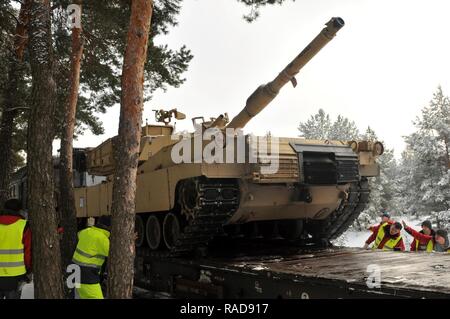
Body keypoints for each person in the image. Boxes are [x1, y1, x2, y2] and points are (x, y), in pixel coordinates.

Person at [72, 215, 110, 299]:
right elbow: (115, 255)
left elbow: (79, 236)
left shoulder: (85, 231)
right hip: (87, 276)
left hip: (74, 271)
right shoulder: (103, 240)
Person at [0, 199, 32, 299]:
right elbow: (28, 252)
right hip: (16, 276)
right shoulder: (23, 225)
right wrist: (29, 269)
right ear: (19, 210)